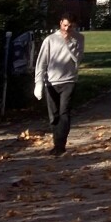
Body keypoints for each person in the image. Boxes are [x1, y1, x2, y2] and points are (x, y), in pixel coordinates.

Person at [33, 13, 84, 155]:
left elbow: (77, 59)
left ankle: (61, 145)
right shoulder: (50, 40)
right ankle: (57, 143)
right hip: (51, 81)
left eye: (70, 26)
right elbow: (41, 62)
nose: (67, 29)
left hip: (69, 80)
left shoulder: (79, 38)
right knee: (54, 115)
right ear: (60, 23)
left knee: (64, 112)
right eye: (64, 25)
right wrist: (38, 83)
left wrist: (69, 42)